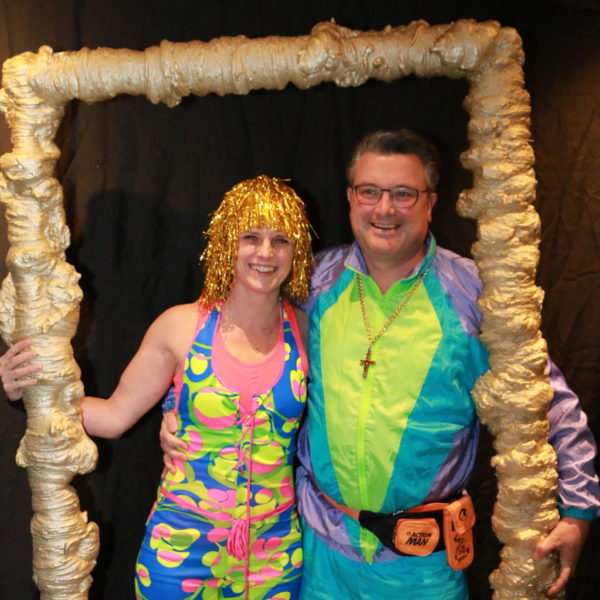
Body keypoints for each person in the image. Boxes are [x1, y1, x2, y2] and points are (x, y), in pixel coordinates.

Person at [160, 129, 600, 599]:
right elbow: (231, 339)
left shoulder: (476, 295)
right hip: (319, 558)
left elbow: (547, 399)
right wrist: (178, 406)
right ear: (351, 199)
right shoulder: (311, 284)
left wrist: (578, 511)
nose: (384, 209)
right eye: (369, 191)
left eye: (403, 194)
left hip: (425, 570)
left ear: (431, 203)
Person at [0, 175, 313, 600]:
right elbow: (114, 417)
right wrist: (32, 394)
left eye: (281, 240)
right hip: (181, 550)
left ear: (297, 250)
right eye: (251, 237)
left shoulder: (306, 330)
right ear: (227, 242)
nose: (265, 252)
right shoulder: (180, 326)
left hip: (274, 555)